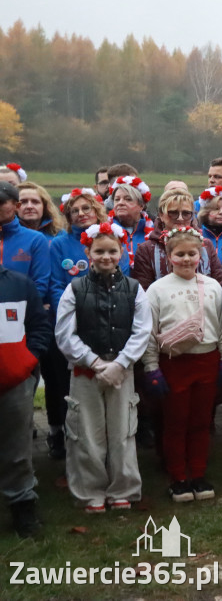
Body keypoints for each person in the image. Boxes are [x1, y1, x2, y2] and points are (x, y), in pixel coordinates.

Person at [55, 222, 152, 513]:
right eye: (99, 251)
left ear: (122, 252)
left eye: (112, 251)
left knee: (123, 431)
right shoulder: (75, 289)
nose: (106, 257)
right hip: (86, 372)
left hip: (122, 372)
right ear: (88, 253)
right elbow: (65, 333)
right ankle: (91, 491)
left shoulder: (134, 289)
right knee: (86, 434)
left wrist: (121, 363)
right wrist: (95, 362)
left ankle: (123, 488)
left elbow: (142, 330)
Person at [142, 227, 222, 503]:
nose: (186, 259)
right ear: (169, 256)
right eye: (179, 254)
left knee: (201, 421)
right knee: (175, 421)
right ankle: (178, 477)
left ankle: (198, 473)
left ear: (200, 255)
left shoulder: (213, 286)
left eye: (192, 254)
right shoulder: (157, 289)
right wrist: (151, 366)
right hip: (174, 363)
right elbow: (149, 331)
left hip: (207, 361)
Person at [47, 188, 128, 458]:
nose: (81, 214)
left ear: (97, 210)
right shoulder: (58, 244)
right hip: (75, 324)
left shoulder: (113, 237)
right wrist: (71, 316)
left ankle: (114, 448)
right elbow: (56, 285)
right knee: (69, 389)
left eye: (86, 208)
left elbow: (123, 278)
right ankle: (72, 444)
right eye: (75, 210)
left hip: (110, 324)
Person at [0, 263, 50, 537]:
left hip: (14, 380)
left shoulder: (20, 284)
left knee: (17, 447)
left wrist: (26, 363)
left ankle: (22, 505)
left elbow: (39, 326)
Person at [132, 188, 222, 291]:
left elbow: (219, 284)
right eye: (173, 213)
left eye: (186, 213)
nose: (180, 218)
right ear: (161, 215)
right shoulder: (147, 249)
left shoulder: (205, 245)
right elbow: (144, 291)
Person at [0, 181, 51, 300]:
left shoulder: (35, 239)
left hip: (19, 308)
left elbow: (40, 285)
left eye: (1, 202)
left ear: (17, 206)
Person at [108, 176, 155, 271]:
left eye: (128, 199)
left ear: (141, 205)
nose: (120, 203)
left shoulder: (155, 232)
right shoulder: (105, 231)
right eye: (117, 199)